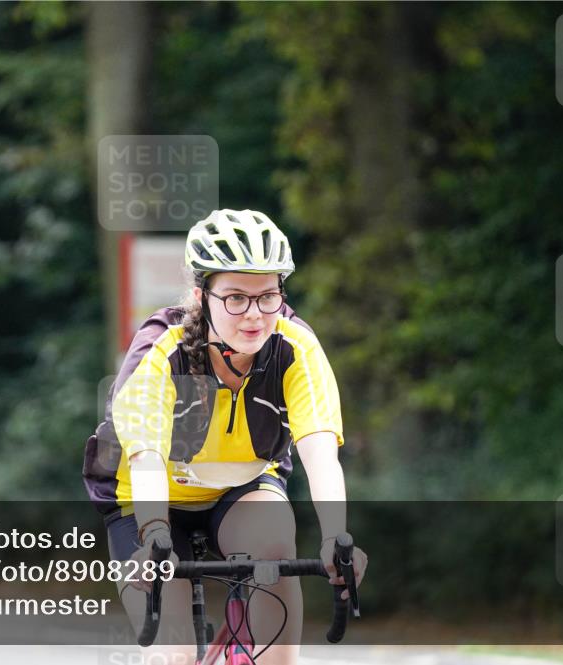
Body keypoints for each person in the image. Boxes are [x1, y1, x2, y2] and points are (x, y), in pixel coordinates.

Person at [83, 209, 368, 665]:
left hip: (240, 487)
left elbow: (319, 451)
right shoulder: (164, 350)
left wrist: (336, 536)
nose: (254, 315)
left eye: (267, 296)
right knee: (173, 654)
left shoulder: (294, 348)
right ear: (202, 296)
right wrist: (154, 533)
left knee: (275, 541)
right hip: (148, 499)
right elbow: (147, 457)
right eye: (236, 298)